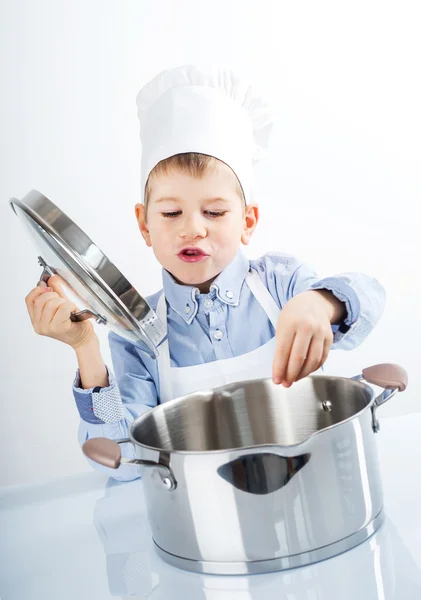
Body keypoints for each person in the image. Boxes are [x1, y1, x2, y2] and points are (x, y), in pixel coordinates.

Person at [25, 65, 385, 481]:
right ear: (144, 225)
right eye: (171, 212)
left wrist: (320, 304)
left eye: (214, 212)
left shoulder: (281, 283)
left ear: (248, 221)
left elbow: (371, 294)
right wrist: (85, 346)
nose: (192, 227)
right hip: (206, 524)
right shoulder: (138, 334)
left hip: (310, 488)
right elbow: (124, 463)